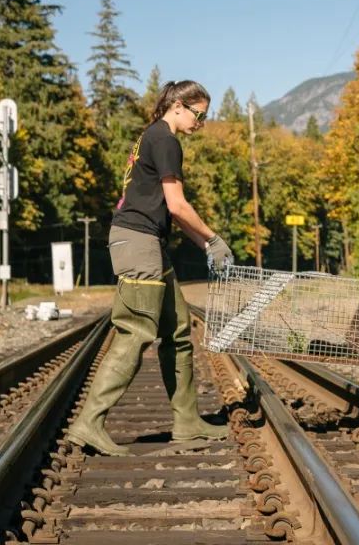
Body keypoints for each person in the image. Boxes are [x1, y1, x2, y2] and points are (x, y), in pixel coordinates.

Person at [65, 81, 234, 456]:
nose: (201, 123)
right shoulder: (165, 140)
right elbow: (177, 205)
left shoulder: (153, 137)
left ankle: (187, 423)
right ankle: (89, 422)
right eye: (199, 114)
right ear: (178, 105)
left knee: (176, 331)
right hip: (138, 243)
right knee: (135, 332)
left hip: (149, 244)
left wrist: (206, 243)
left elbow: (172, 210)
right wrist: (213, 238)